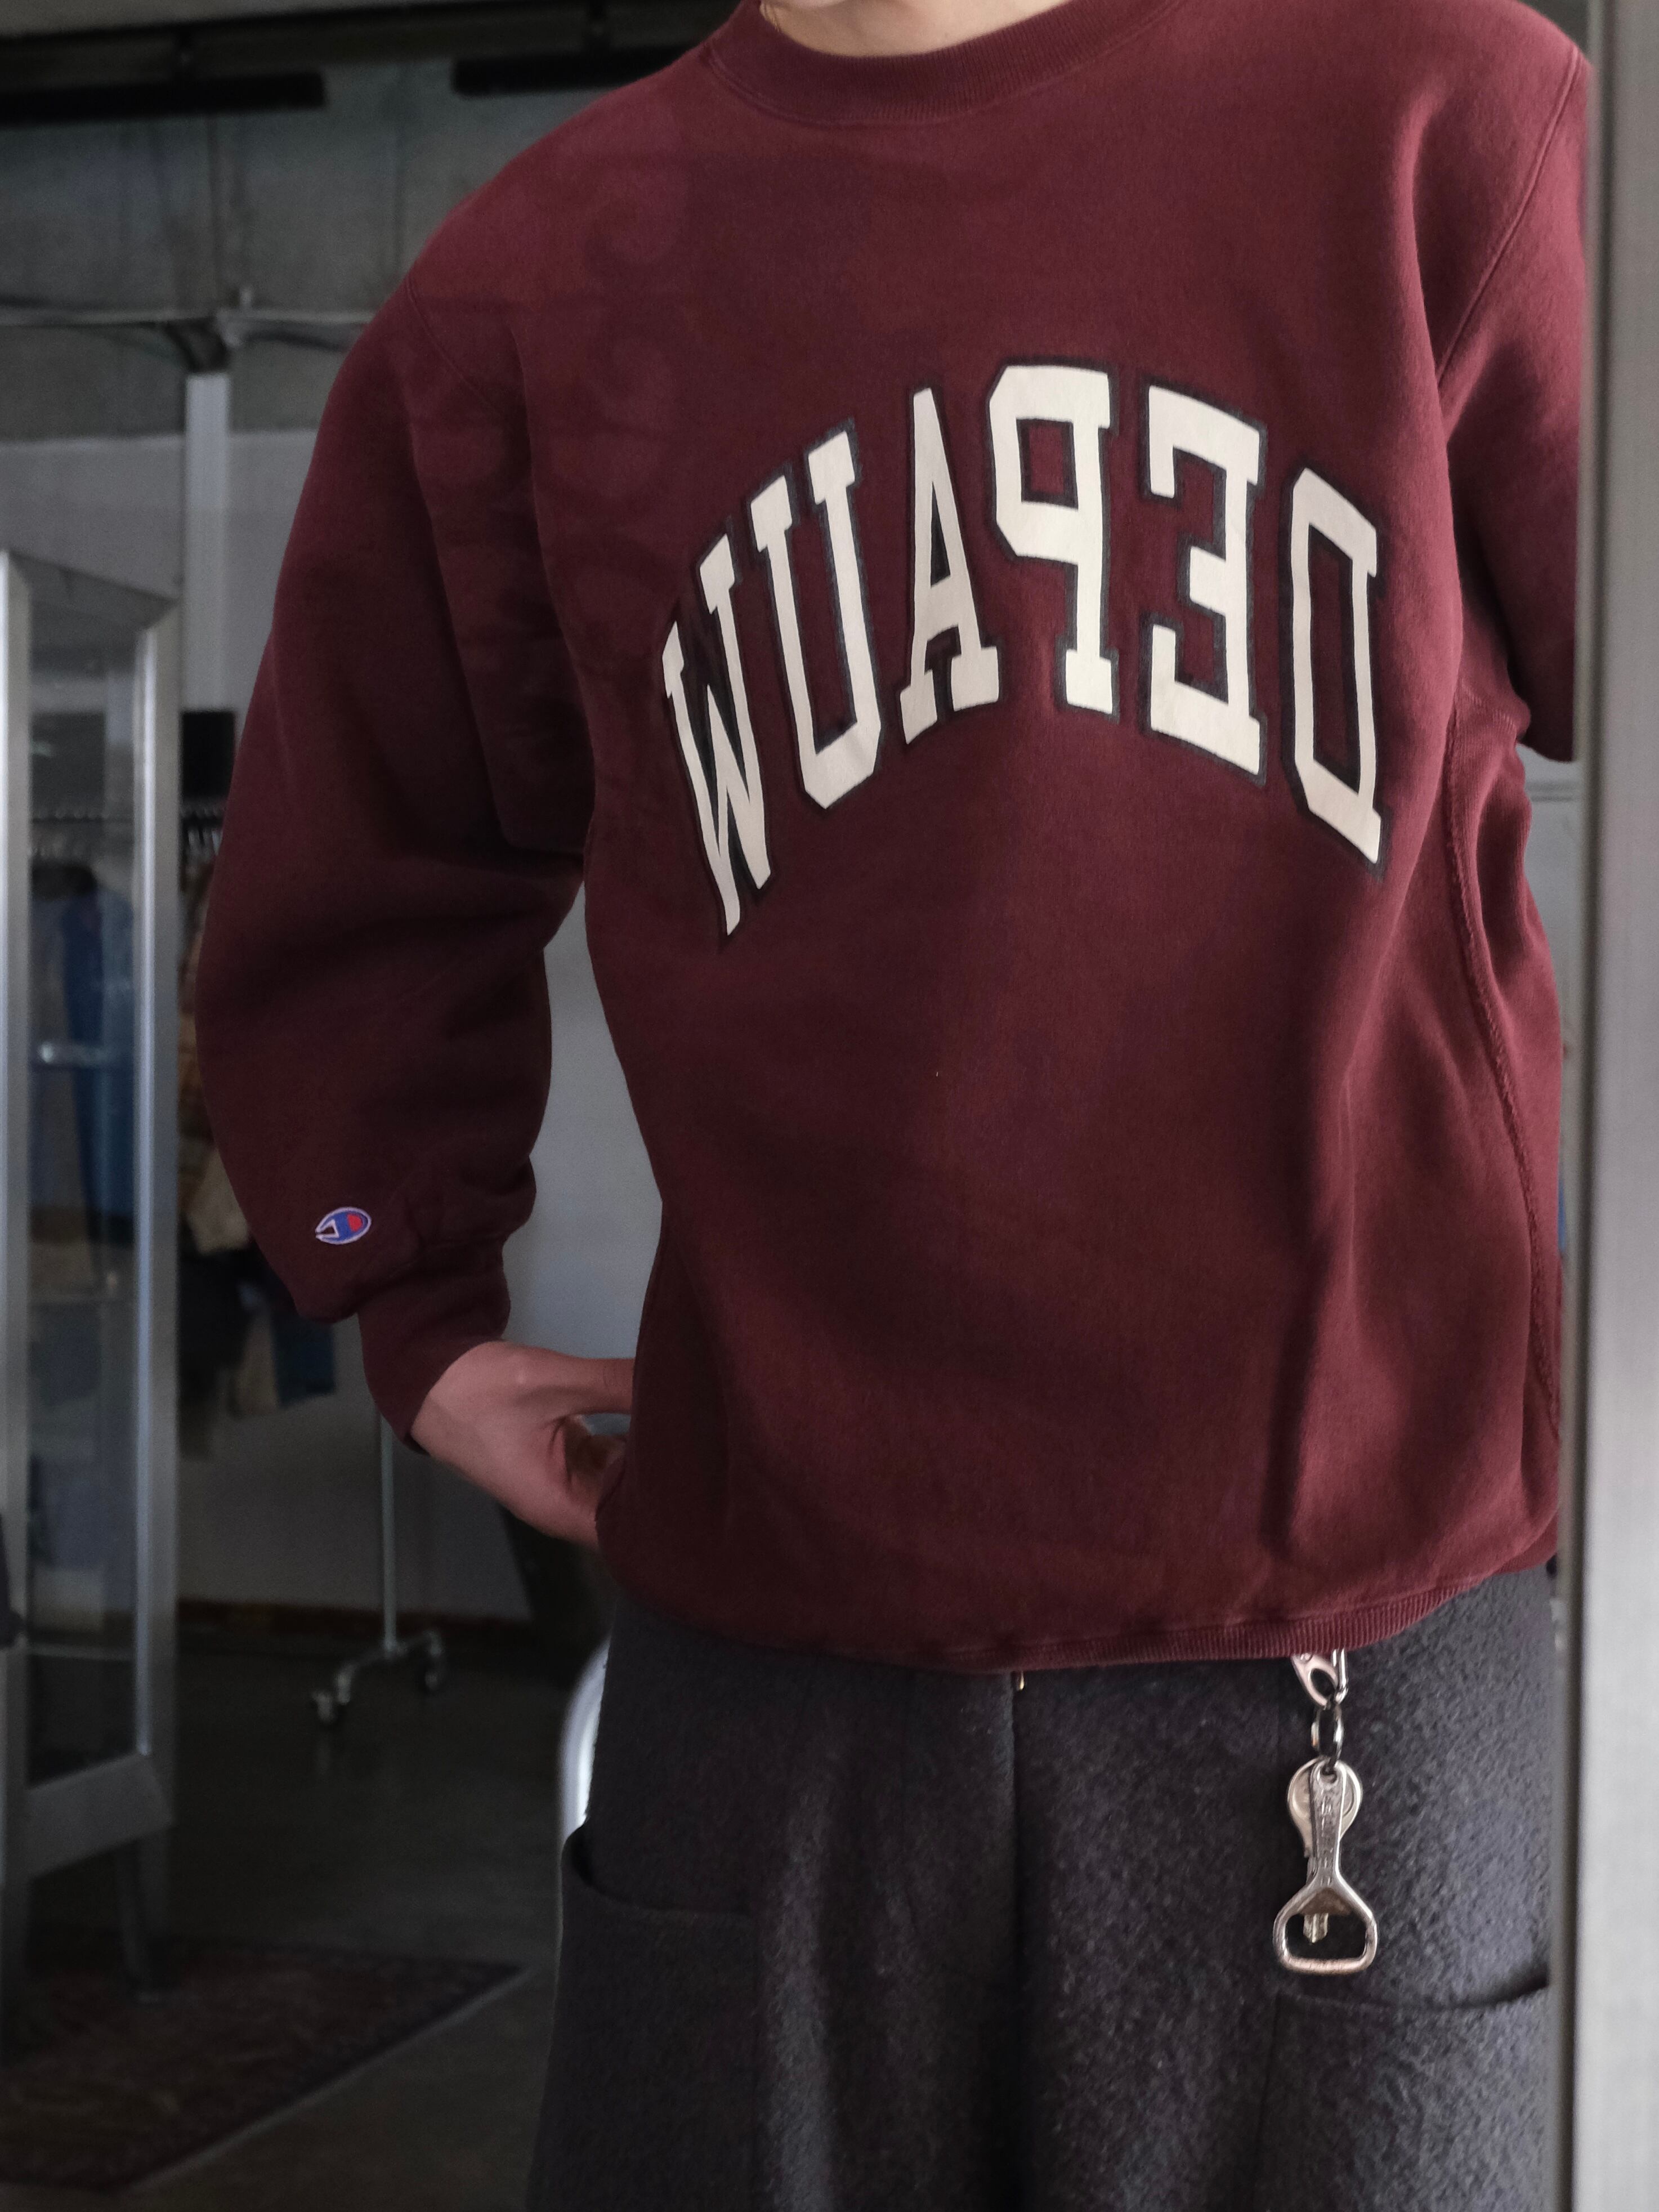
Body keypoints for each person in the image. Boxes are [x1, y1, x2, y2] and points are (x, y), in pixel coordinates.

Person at [195, 0, 1586, 2200]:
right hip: (773, 1687)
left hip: (1346, 1671)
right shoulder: (529, 286)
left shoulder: (1445, 121)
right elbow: (352, 865)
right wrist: (400, 1297)